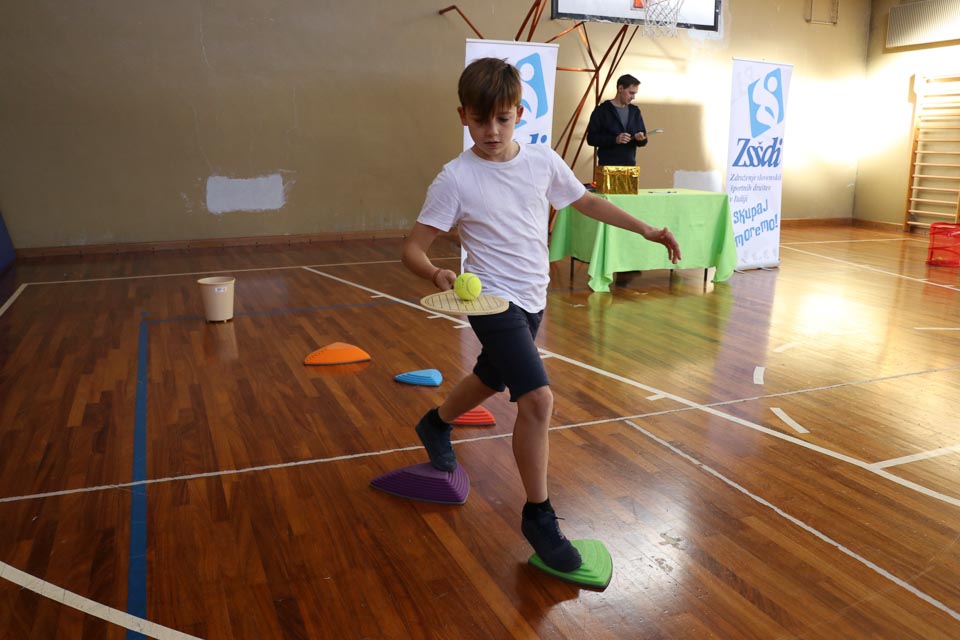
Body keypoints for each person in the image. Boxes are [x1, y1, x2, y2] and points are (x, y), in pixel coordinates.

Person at [401, 58, 681, 573]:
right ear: (463, 116)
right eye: (480, 120)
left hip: (534, 298)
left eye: (503, 119)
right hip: (490, 303)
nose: (492, 131)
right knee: (538, 399)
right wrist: (437, 273)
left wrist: (646, 229)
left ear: (519, 113)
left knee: (490, 377)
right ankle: (538, 515)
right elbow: (413, 249)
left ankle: (435, 424)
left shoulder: (541, 161)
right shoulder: (455, 179)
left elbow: (586, 202)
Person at [586, 73, 648, 166]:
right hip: (607, 166)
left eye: (635, 94)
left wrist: (640, 139)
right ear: (620, 88)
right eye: (631, 93)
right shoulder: (602, 110)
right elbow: (591, 138)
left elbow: (643, 140)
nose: (633, 97)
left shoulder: (635, 111)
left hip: (629, 166)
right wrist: (615, 140)